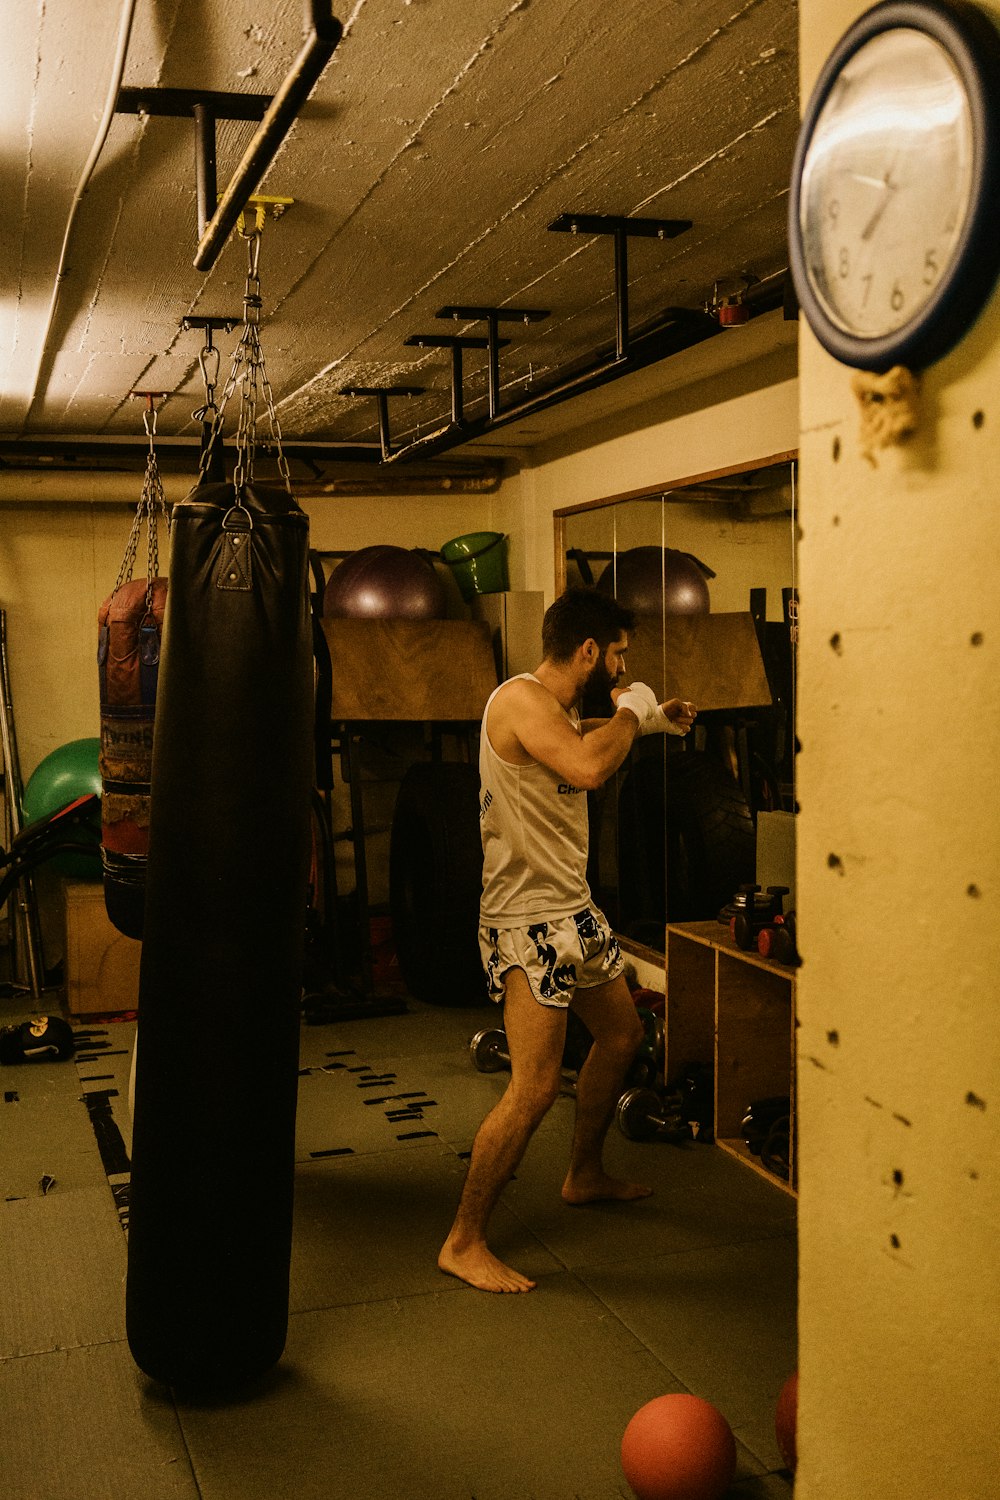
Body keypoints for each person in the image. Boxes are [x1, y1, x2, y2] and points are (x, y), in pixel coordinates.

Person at [438, 586, 697, 1293]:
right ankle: (463, 1242)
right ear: (588, 651)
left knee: (619, 1038)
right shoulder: (519, 702)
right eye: (617, 654)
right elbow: (586, 766)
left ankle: (583, 1173)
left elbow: (582, 742)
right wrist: (632, 710)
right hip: (526, 922)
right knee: (533, 1087)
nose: (619, 666)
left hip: (573, 911)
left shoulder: (553, 712)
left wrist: (650, 721)